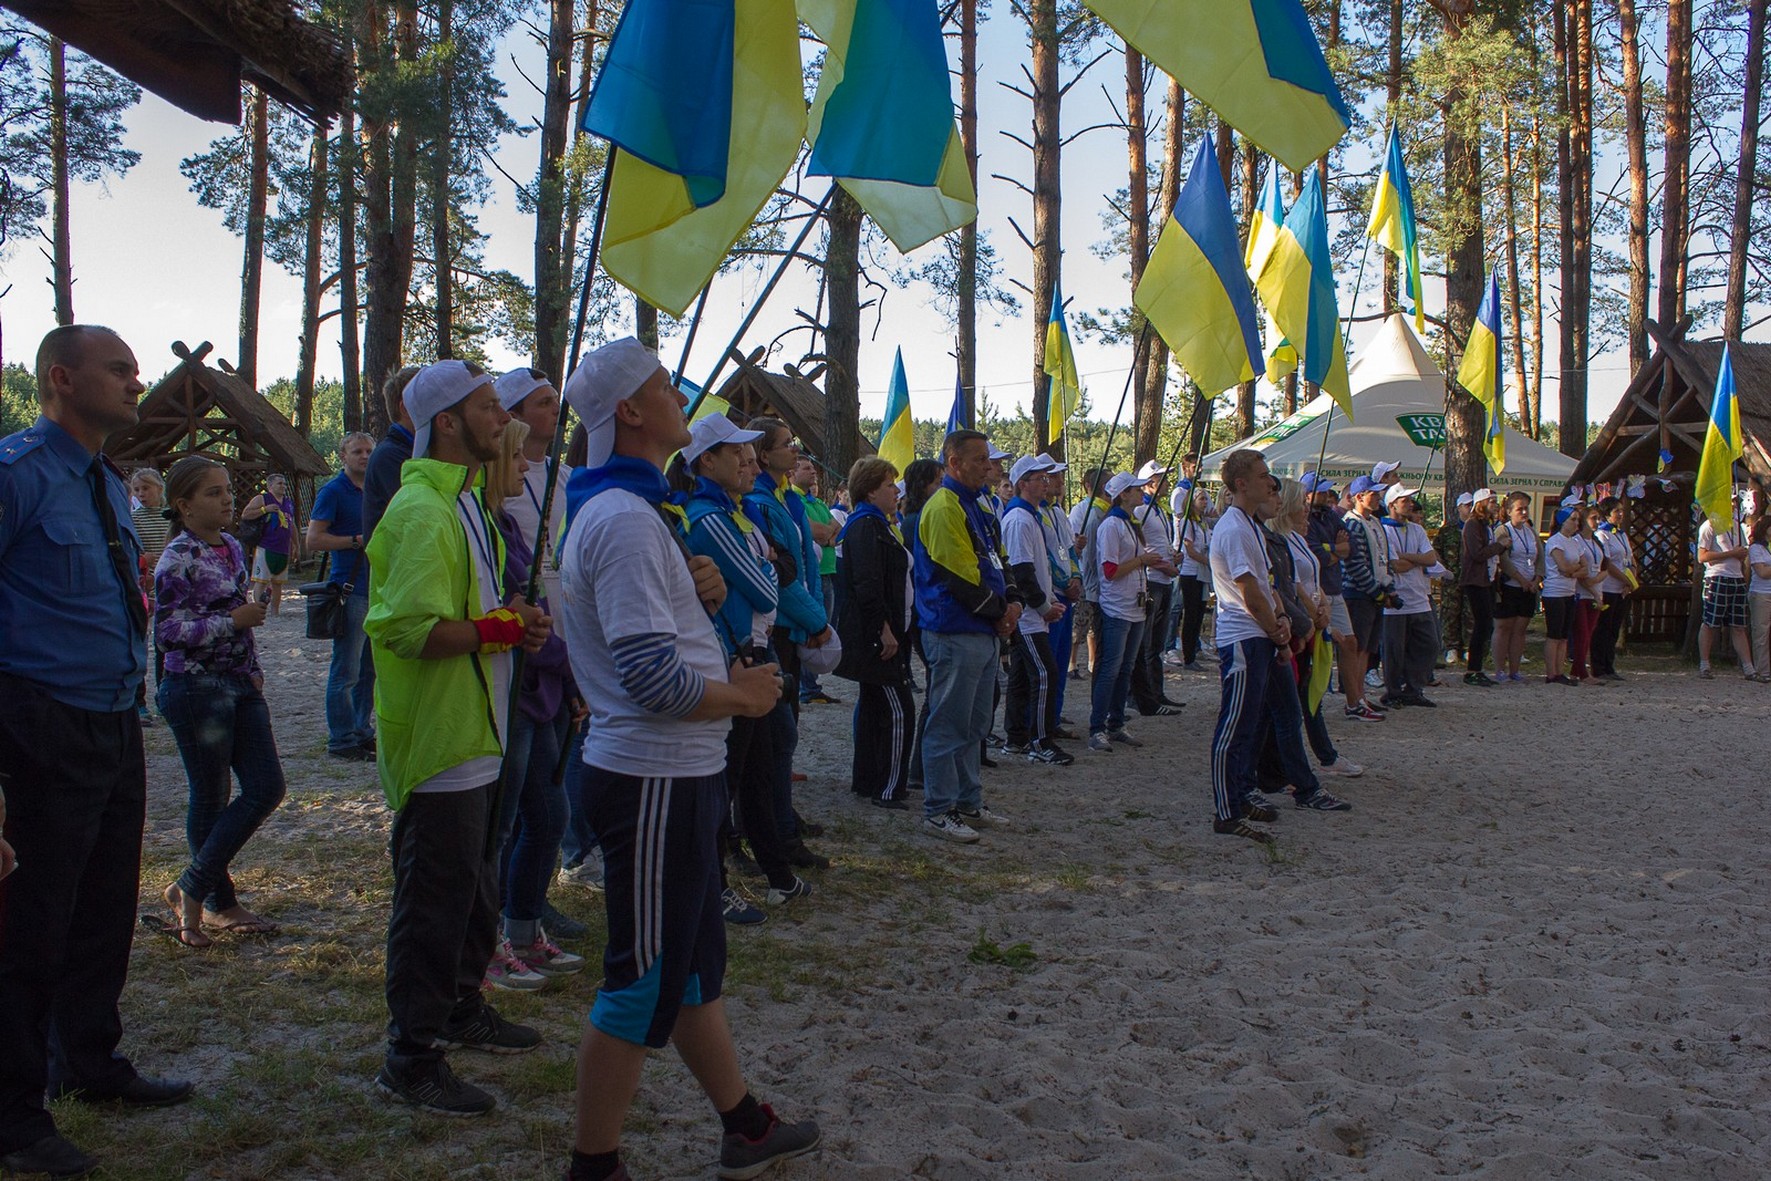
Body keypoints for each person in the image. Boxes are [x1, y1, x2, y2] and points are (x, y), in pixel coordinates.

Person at [556, 338, 818, 1181]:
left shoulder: (638, 511)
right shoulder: (624, 519)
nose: (683, 398)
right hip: (650, 778)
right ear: (630, 410)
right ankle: (594, 1164)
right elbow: (649, 678)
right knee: (642, 979)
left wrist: (698, 592)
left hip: (676, 773)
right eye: (666, 386)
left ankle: (743, 1124)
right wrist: (741, 695)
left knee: (695, 969)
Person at [1, 325, 191, 1181]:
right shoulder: (16, 475)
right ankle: (13, 1116)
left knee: (105, 904)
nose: (135, 381)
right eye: (118, 369)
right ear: (62, 378)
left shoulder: (108, 482)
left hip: (116, 718)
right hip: (39, 722)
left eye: (135, 369)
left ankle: (88, 1060)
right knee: (30, 921)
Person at [365, 360, 552, 1115]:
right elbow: (408, 629)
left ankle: (461, 1005)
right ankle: (409, 1057)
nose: (504, 418)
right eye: (487, 406)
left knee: (476, 885)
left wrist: (514, 619)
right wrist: (500, 627)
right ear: (446, 422)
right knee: (433, 901)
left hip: (480, 727)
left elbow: (477, 610)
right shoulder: (420, 510)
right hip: (440, 739)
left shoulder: (467, 502)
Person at [153, 455, 287, 949]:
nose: (228, 498)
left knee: (266, 786)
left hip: (239, 684)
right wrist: (232, 622)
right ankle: (217, 902)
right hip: (195, 688)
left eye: (228, 489)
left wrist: (252, 667)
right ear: (184, 505)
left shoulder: (230, 545)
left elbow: (238, 610)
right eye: (213, 492)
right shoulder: (177, 558)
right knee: (210, 796)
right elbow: (167, 633)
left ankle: (189, 886)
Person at [679, 416, 807, 915]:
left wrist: (768, 565)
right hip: (735, 655)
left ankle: (777, 873)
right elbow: (766, 588)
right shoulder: (710, 518)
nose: (747, 464)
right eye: (736, 454)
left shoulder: (738, 513)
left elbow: (780, 568)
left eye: (750, 456)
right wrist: (768, 564)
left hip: (756, 649)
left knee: (762, 764)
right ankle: (715, 885)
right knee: (730, 775)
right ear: (706, 461)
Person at [484, 420, 587, 987]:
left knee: (549, 815)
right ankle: (485, 945)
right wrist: (564, 664)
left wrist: (567, 680)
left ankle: (523, 929)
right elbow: (516, 613)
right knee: (498, 828)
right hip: (513, 690)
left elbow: (539, 606)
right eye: (516, 457)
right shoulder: (482, 529)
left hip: (542, 687)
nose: (526, 468)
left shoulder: (504, 525)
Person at [915, 429, 1023, 842]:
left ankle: (968, 800)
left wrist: (1013, 602)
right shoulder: (944, 506)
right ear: (954, 463)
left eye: (989, 460)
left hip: (982, 630)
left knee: (976, 724)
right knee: (949, 724)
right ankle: (939, 809)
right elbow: (959, 578)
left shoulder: (979, 505)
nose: (989, 467)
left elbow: (1000, 560)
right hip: (955, 629)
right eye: (980, 459)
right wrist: (1000, 613)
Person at [1206, 450, 1316, 845]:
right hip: (1243, 637)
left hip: (1259, 635)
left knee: (1251, 724)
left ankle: (1240, 795)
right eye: (1263, 476)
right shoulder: (1235, 529)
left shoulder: (1251, 526)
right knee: (1234, 726)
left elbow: (1267, 585)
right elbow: (1249, 592)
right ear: (1241, 484)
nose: (1271, 483)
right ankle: (1226, 812)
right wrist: (1276, 630)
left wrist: (1281, 621)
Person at [742, 419, 833, 869]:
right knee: (772, 737)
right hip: (773, 627)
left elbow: (798, 567)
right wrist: (816, 619)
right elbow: (777, 575)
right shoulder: (760, 503)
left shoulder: (785, 499)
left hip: (789, 622)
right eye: (786, 444)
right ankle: (770, 831)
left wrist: (812, 616)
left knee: (783, 732)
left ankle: (780, 819)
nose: (796, 450)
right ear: (763, 454)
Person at [833, 456, 923, 798]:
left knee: (874, 708)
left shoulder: (878, 524)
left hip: (887, 631)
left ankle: (868, 781)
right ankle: (890, 787)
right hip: (878, 636)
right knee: (900, 710)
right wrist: (884, 629)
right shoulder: (865, 527)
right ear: (870, 491)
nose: (896, 491)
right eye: (889, 485)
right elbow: (867, 585)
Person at [1275, 478, 1362, 783]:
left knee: (1310, 693)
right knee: (1297, 697)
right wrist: (1315, 617)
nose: (1306, 508)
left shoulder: (1298, 536)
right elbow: (1293, 584)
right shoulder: (1281, 539)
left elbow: (1315, 576)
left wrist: (1323, 606)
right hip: (1301, 624)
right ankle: (1302, 764)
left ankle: (1324, 756)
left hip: (1314, 619)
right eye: (1301, 502)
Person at [305, 432, 377, 760]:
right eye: (357, 451)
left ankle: (361, 730)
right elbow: (313, 540)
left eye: (369, 451)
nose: (365, 456)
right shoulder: (333, 491)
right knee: (346, 669)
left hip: (376, 589)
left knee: (369, 670)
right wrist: (354, 541)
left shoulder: (376, 490)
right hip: (350, 590)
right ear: (343, 456)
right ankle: (342, 738)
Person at [1000, 455, 1073, 765]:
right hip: (1029, 616)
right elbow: (1021, 571)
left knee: (1021, 677)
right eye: (1040, 479)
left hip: (1033, 612)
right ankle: (1040, 740)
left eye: (1047, 478)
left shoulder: (1031, 516)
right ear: (1022, 484)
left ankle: (1016, 736)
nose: (1046, 483)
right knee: (1045, 673)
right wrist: (1043, 606)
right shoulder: (1019, 519)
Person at [1088, 472, 1166, 752]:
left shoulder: (1129, 523)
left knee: (1125, 668)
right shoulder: (1112, 525)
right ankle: (1097, 727)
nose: (1141, 492)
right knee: (1110, 669)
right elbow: (1110, 570)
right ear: (1123, 494)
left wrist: (1152, 562)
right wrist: (1142, 560)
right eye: (1135, 489)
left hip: (1134, 605)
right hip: (1117, 606)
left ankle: (1116, 723)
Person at [1375, 484, 1440, 708]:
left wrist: (1407, 558)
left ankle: (1414, 688)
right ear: (1392, 504)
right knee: (1394, 650)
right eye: (1405, 501)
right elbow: (1395, 565)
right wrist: (1416, 560)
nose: (1410, 504)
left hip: (1419, 598)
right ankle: (1393, 691)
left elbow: (1431, 558)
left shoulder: (1417, 530)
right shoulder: (1383, 529)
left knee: (1429, 644)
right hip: (1396, 599)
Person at [1128, 460, 1184, 716]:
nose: (1166, 482)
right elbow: (1140, 548)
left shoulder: (1159, 510)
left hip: (1165, 579)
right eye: (1161, 478)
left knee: (1157, 641)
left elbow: (1159, 543)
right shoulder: (1141, 510)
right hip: (1151, 579)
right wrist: (1163, 565)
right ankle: (1138, 694)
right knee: (1145, 640)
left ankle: (1156, 691)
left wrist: (1173, 556)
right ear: (1149, 482)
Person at [1337, 476, 1389, 721]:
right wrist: (1375, 591)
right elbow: (1355, 564)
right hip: (1358, 594)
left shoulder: (1374, 522)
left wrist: (1388, 587)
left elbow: (1382, 558)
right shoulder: (1352, 524)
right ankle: (1355, 698)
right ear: (1359, 497)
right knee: (1357, 648)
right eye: (1373, 494)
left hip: (1374, 592)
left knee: (1367, 648)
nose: (1378, 498)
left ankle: (1362, 695)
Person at [792, 456, 843, 705]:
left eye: (814, 467)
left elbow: (836, 529)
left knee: (825, 624)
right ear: (793, 474)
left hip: (827, 572)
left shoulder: (818, 502)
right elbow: (821, 531)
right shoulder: (795, 501)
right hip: (813, 575)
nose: (813, 471)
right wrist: (828, 534)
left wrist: (827, 536)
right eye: (807, 468)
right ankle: (807, 688)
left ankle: (811, 685)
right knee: (814, 628)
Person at [362, 366, 421, 541]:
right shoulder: (389, 457)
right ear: (405, 409)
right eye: (431, 399)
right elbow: (419, 517)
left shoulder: (410, 450)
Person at [1697, 508, 1757, 679]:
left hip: (1736, 577)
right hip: (1717, 577)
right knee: (1710, 622)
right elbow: (1702, 556)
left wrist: (1740, 555)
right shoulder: (1709, 526)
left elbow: (1741, 553)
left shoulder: (1736, 526)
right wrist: (1731, 553)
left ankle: (1748, 668)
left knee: (1738, 625)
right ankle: (1704, 664)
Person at [1458, 488, 1508, 686]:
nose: (1495, 505)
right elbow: (1477, 553)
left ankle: (1477, 667)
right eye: (1491, 501)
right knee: (1482, 623)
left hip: (1487, 579)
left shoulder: (1486, 525)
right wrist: (1500, 545)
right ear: (1481, 504)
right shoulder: (1472, 524)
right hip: (1475, 580)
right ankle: (1472, 670)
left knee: (1486, 624)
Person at [1491, 492, 1542, 682]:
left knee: (1521, 628)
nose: (1524, 512)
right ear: (1509, 511)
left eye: (1526, 508)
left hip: (1529, 587)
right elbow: (1503, 560)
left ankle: (1515, 670)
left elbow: (1540, 557)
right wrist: (1521, 580)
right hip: (1510, 585)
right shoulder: (1503, 531)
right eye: (1520, 509)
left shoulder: (1531, 532)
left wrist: (1536, 580)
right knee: (1504, 626)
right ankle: (1499, 669)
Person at [1067, 468, 1112, 679]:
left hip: (1098, 580)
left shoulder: (1106, 510)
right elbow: (1079, 543)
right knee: (1080, 622)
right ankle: (1072, 662)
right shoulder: (1083, 511)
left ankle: (1093, 662)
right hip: (1085, 574)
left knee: (1093, 625)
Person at [1590, 497, 1636, 682]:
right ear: (1607, 514)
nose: (1620, 514)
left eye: (1621, 510)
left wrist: (1631, 580)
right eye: (1617, 511)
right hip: (1608, 586)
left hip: (1622, 589)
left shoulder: (1622, 534)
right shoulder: (1603, 535)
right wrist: (1625, 579)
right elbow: (1607, 563)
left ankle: (1609, 665)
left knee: (1614, 628)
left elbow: (1630, 558)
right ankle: (1598, 666)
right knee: (1603, 628)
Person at [1539, 506, 1586, 685]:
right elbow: (1563, 566)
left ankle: (1560, 671)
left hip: (1569, 591)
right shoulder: (1555, 541)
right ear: (1562, 521)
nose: (1576, 523)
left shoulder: (1575, 542)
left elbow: (1585, 567)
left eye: (1577, 519)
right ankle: (1551, 673)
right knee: (1554, 633)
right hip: (1555, 592)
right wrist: (1573, 569)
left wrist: (1573, 571)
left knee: (1564, 635)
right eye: (1572, 519)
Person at [242, 472, 298, 614]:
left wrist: (296, 544)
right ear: (270, 485)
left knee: (278, 583)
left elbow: (292, 524)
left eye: (284, 483)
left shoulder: (288, 502)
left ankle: (275, 612)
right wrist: (264, 510)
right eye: (280, 483)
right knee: (261, 581)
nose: (283, 486)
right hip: (266, 546)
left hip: (283, 548)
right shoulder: (262, 499)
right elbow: (245, 514)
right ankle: (258, 610)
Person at [1172, 485, 1214, 670]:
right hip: (1191, 572)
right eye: (1201, 499)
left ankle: (1194, 651)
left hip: (1202, 572)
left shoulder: (1202, 522)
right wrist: (1209, 562)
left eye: (1206, 499)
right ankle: (1188, 656)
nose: (1205, 502)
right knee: (1191, 614)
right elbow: (1189, 550)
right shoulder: (1187, 522)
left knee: (1199, 613)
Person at [1568, 507, 1609, 686]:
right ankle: (1582, 672)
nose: (1597, 522)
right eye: (1593, 518)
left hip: (1596, 591)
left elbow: (1605, 567)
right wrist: (1591, 587)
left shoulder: (1597, 542)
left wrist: (1597, 581)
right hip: (1581, 592)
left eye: (1599, 518)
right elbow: (1579, 571)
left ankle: (1576, 671)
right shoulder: (1576, 541)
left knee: (1589, 633)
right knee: (1581, 633)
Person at [1747, 515, 1771, 683]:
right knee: (1761, 632)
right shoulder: (1756, 548)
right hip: (1761, 593)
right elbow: (1762, 572)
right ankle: (1763, 670)